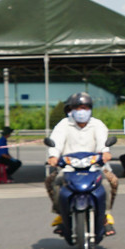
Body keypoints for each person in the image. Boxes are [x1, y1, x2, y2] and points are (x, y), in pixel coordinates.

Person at [45, 92, 118, 235]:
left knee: (111, 182)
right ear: (71, 110)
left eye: (84, 107)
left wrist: (105, 152)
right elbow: (56, 142)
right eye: (77, 108)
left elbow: (102, 142)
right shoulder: (64, 124)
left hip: (95, 166)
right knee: (51, 181)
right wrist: (53, 156)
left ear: (90, 109)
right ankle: (61, 213)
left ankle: (105, 215)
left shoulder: (97, 125)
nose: (81, 111)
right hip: (68, 167)